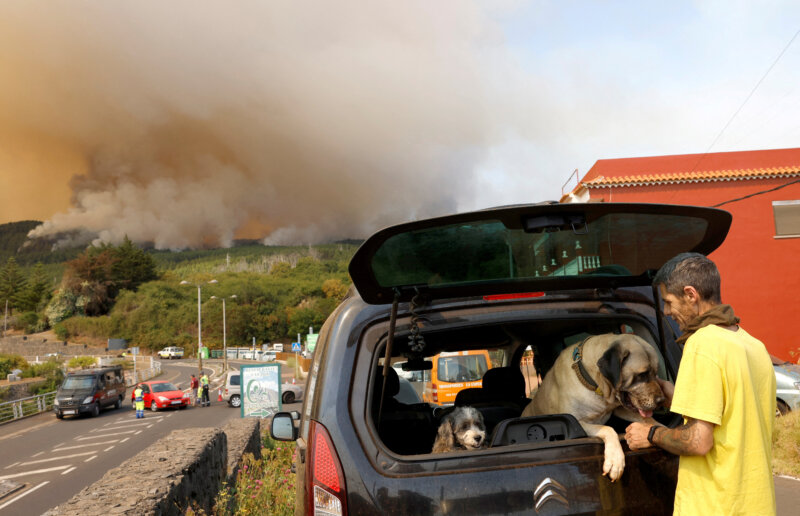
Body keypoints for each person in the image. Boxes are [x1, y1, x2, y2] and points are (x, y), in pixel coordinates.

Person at [624, 253, 775, 515]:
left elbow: (698, 441)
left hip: (715, 506)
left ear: (691, 294)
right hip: (756, 504)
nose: (667, 312)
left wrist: (650, 433)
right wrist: (678, 396)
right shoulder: (753, 345)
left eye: (669, 302)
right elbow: (735, 414)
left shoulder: (702, 344)